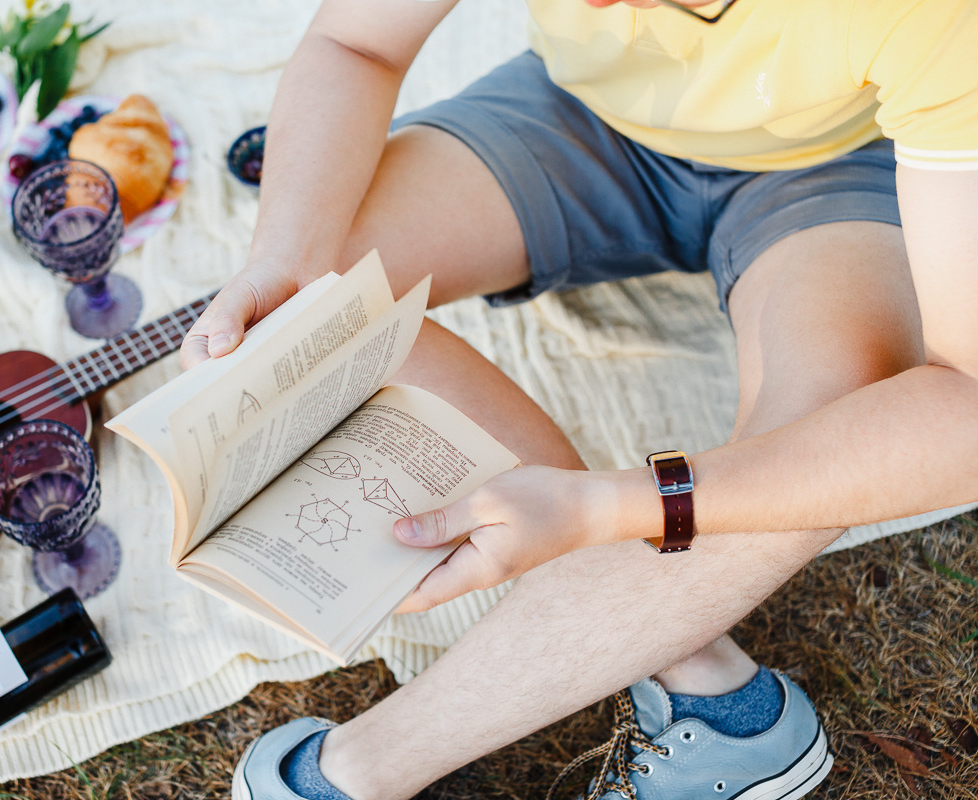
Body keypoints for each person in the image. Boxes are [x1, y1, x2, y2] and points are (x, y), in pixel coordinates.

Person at [179, 0, 978, 797]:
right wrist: (285, 265)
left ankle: (357, 770)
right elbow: (355, 40)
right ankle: (694, 663)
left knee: (837, 424)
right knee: (317, 307)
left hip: (835, 159)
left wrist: (608, 508)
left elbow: (964, 413)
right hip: (583, 116)